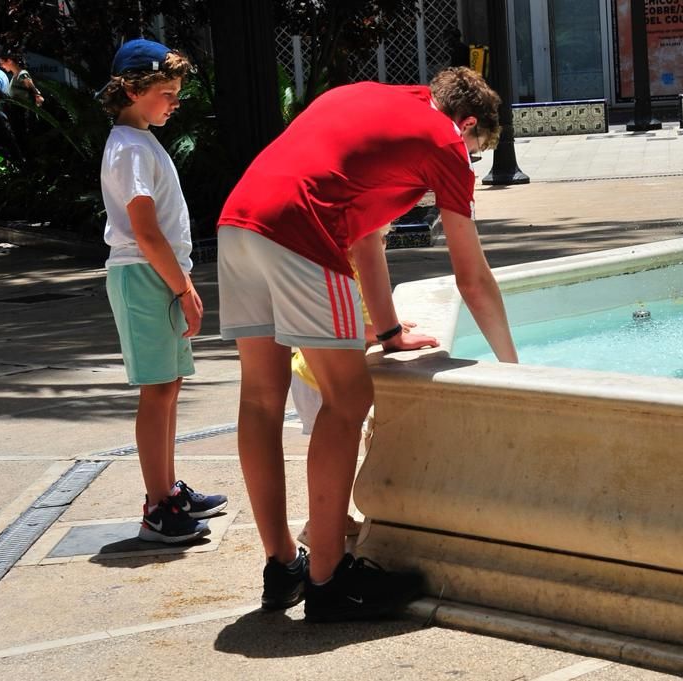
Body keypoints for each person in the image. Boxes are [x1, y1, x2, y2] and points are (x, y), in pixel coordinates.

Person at [216, 66, 518, 622]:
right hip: (299, 230)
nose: (466, 162)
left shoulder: (364, 98)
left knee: (260, 398)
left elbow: (364, 239)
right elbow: (471, 277)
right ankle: (330, 579)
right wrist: (515, 369)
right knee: (348, 400)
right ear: (467, 124)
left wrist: (388, 333)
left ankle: (282, 565)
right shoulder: (445, 140)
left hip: (238, 223)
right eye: (475, 151)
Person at [98, 38, 227, 544]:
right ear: (131, 89)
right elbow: (145, 231)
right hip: (144, 275)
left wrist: (180, 282)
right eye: (166, 92)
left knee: (168, 385)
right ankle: (158, 507)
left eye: (177, 93)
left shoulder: (141, 140)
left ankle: (167, 491)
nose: (175, 102)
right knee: (157, 390)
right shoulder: (128, 147)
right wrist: (184, 287)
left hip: (157, 274)